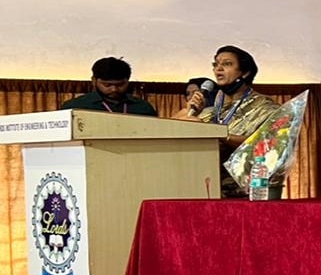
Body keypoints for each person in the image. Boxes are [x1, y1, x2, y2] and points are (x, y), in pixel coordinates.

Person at [178, 45, 286, 197]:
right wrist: (192, 113)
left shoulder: (265, 108)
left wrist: (219, 134)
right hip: (204, 188)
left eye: (227, 64)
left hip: (246, 193)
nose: (218, 69)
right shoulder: (209, 110)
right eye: (216, 64)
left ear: (245, 72)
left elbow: (266, 146)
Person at [60, 56, 157, 116]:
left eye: (120, 84)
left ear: (128, 81)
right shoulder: (75, 107)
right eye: (107, 85)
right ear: (94, 81)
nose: (114, 89)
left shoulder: (143, 107)